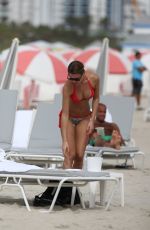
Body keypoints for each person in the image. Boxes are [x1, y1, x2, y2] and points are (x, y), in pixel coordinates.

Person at [60, 60, 99, 169]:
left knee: (79, 156)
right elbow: (64, 113)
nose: (73, 81)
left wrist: (92, 119)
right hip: (69, 118)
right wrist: (64, 141)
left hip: (85, 118)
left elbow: (96, 98)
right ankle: (65, 184)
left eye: (76, 79)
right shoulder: (67, 86)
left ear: (83, 73)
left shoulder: (94, 79)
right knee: (69, 154)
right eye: (70, 78)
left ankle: (74, 185)